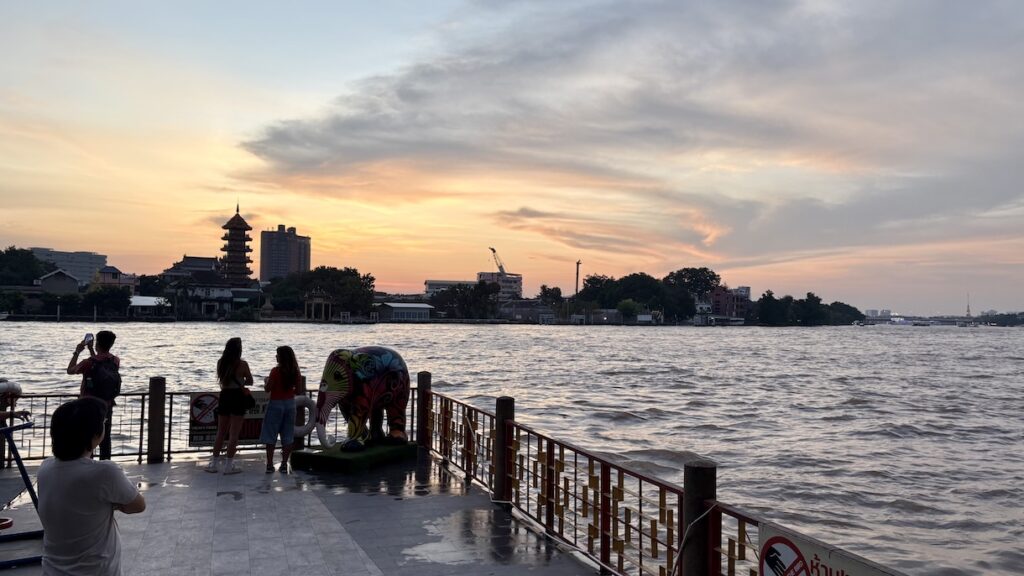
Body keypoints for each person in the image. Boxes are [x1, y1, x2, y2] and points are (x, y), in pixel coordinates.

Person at [38, 397, 145, 575]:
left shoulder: (45, 468)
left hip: (52, 570)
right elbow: (138, 505)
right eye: (103, 422)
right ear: (94, 434)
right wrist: (113, 503)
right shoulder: (105, 472)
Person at [67, 330, 121, 460]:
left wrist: (77, 352)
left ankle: (88, 463)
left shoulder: (87, 362)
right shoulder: (115, 361)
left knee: (87, 436)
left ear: (97, 343)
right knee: (105, 436)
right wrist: (92, 350)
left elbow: (70, 370)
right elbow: (99, 365)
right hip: (107, 404)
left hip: (88, 405)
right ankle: (106, 464)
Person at [205, 337, 252, 475]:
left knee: (221, 432)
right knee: (234, 434)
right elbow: (250, 381)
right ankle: (228, 465)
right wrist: (242, 380)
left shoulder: (221, 363)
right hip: (237, 397)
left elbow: (222, 379)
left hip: (224, 396)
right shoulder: (243, 364)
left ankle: (213, 463)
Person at [259, 346, 305, 473]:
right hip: (290, 404)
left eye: (277, 354)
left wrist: (266, 382)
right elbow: (299, 390)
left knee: (271, 435)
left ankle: (269, 465)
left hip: (275, 404)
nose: (276, 356)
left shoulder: (275, 371)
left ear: (281, 357)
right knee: (288, 435)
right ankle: (284, 464)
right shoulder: (295, 371)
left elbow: (268, 389)